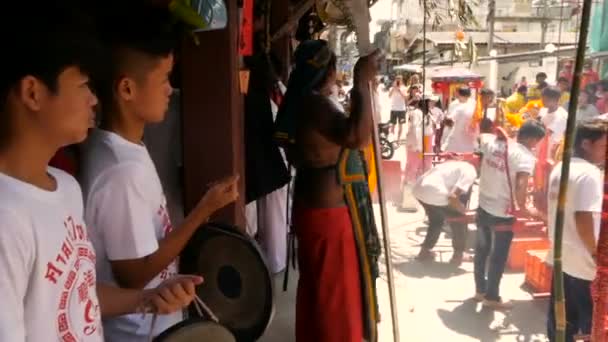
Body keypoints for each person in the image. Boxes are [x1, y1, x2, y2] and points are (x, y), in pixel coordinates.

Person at [0, 2, 200, 341]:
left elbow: (79, 293)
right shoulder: (6, 217)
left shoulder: (65, 188)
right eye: (83, 86)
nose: (94, 100)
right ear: (33, 93)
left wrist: (147, 298)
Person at [78, 5, 239, 341]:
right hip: (139, 332)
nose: (170, 89)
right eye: (164, 78)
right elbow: (135, 274)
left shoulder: (121, 148)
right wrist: (203, 211)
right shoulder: (122, 171)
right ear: (126, 90)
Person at [273, 40, 380, 342]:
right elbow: (357, 137)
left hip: (315, 210)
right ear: (329, 70)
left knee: (321, 297)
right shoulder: (315, 104)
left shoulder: (301, 102)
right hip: (329, 216)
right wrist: (362, 80)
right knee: (337, 302)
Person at [474, 120, 547, 310]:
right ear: (532, 139)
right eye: (537, 142)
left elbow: (481, 138)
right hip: (502, 212)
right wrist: (525, 208)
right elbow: (522, 185)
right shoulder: (524, 156)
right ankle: (491, 297)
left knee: (482, 250)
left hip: (483, 204)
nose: (536, 146)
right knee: (498, 257)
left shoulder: (494, 142)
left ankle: (480, 290)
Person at [546, 121, 607, 341]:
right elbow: (582, 216)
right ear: (586, 143)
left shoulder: (561, 167)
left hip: (563, 253)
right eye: (603, 145)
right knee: (589, 319)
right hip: (584, 259)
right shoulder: (589, 173)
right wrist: (595, 252)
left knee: (563, 314)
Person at [414, 160, 477, 266]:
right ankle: (458, 255)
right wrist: (463, 210)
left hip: (418, 189)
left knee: (436, 221)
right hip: (433, 191)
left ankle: (424, 251)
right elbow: (453, 197)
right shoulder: (471, 171)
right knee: (459, 219)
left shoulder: (456, 165)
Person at [442, 87, 477, 153]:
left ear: (458, 94)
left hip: (457, 140)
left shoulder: (457, 106)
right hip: (471, 140)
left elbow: (449, 121)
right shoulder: (475, 104)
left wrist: (445, 120)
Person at [539, 87, 569, 157]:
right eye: (542, 98)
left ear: (556, 100)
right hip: (541, 146)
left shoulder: (561, 116)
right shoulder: (543, 110)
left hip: (552, 150)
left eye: (546, 99)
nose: (543, 101)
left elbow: (547, 133)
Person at [388, 75, 408, 140]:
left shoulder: (404, 88)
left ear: (401, 80)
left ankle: (398, 139)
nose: (398, 80)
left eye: (399, 79)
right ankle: (393, 139)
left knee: (400, 125)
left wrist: (399, 90)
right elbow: (389, 96)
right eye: (397, 79)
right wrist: (394, 88)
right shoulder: (392, 88)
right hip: (393, 109)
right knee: (393, 125)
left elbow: (405, 97)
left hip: (401, 109)